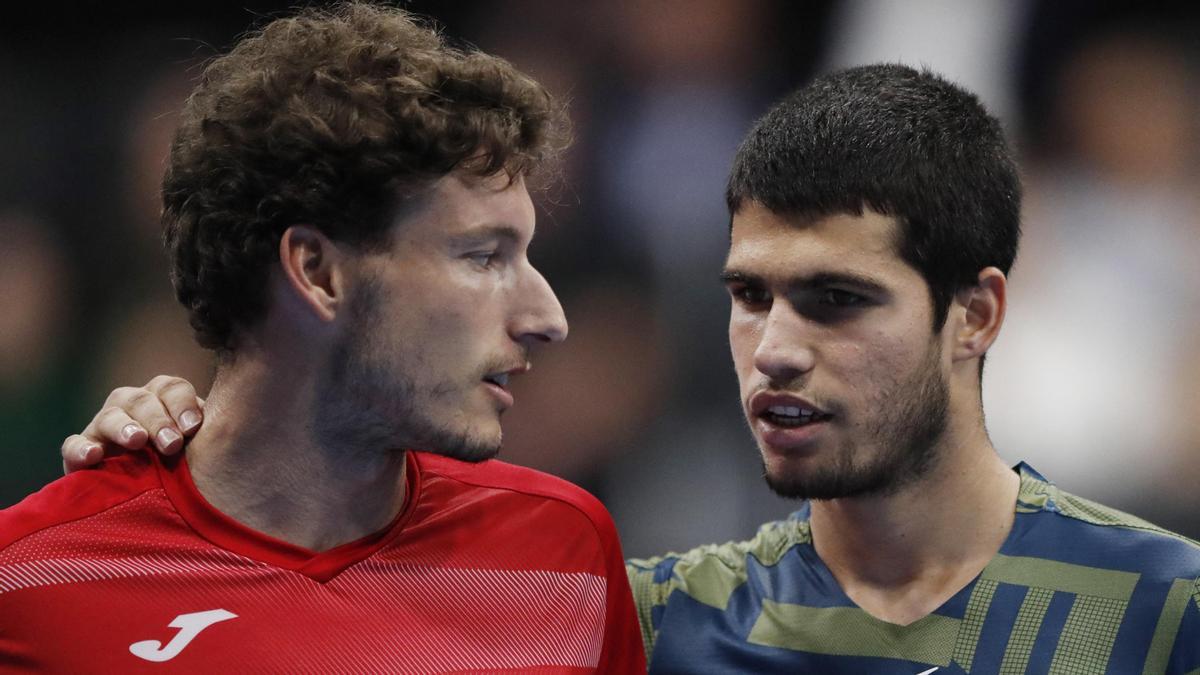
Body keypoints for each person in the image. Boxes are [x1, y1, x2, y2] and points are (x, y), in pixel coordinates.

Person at [57, 66, 1200, 672]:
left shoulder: (1168, 609)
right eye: (749, 296)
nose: (779, 346)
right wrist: (176, 461)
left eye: (837, 299)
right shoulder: (637, 615)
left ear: (976, 313)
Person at [2, 4, 644, 673]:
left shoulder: (566, 554)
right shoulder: (25, 583)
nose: (548, 316)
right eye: (484, 257)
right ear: (317, 271)